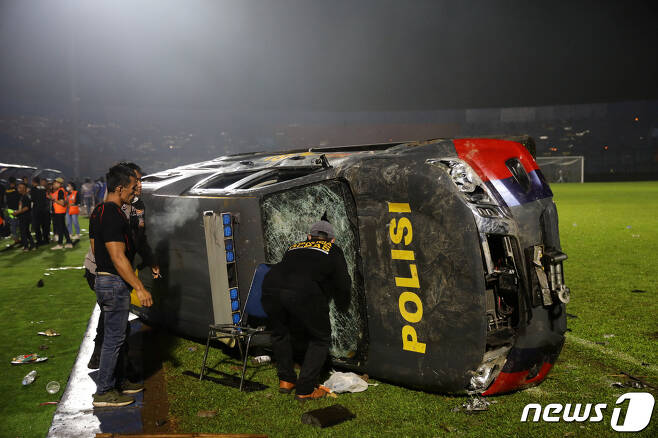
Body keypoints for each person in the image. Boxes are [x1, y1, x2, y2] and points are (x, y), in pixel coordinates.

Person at [261, 217, 351, 401]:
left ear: (309, 237)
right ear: (332, 240)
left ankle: (286, 380)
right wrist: (343, 299)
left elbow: (294, 269)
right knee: (320, 338)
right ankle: (305, 389)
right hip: (301, 291)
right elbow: (343, 283)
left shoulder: (294, 246)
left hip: (270, 286)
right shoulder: (333, 249)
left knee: (280, 333)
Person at [89, 163, 153, 407]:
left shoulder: (97, 212)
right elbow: (118, 256)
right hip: (114, 283)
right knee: (114, 340)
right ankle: (104, 392)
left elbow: (97, 250)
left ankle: (117, 382)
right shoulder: (114, 214)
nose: (132, 193)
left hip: (103, 279)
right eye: (129, 188)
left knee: (116, 337)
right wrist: (139, 286)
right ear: (118, 188)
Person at [49, 177, 73, 249]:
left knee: (60, 228)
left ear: (60, 184)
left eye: (56, 183)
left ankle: (60, 244)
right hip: (60, 211)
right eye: (54, 182)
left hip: (59, 211)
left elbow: (62, 203)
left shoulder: (60, 191)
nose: (54, 184)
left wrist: (53, 199)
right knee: (63, 227)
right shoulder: (60, 191)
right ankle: (68, 242)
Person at [14, 181, 35, 251]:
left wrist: (17, 212)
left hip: (25, 217)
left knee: (23, 232)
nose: (18, 189)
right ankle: (32, 245)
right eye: (18, 187)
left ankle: (26, 247)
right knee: (26, 232)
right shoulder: (23, 196)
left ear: (24, 188)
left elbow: (26, 208)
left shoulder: (26, 196)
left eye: (20, 187)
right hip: (24, 216)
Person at [30, 177, 50, 246]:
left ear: (33, 182)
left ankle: (39, 241)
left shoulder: (33, 189)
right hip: (44, 209)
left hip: (37, 210)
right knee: (44, 226)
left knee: (37, 226)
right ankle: (46, 239)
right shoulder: (43, 188)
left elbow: (32, 199)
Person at [4, 177, 20, 244]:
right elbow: (19, 199)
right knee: (17, 224)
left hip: (8, 209)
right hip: (16, 209)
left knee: (12, 224)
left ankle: (15, 237)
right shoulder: (17, 190)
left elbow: (5, 200)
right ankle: (17, 238)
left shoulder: (6, 190)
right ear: (14, 182)